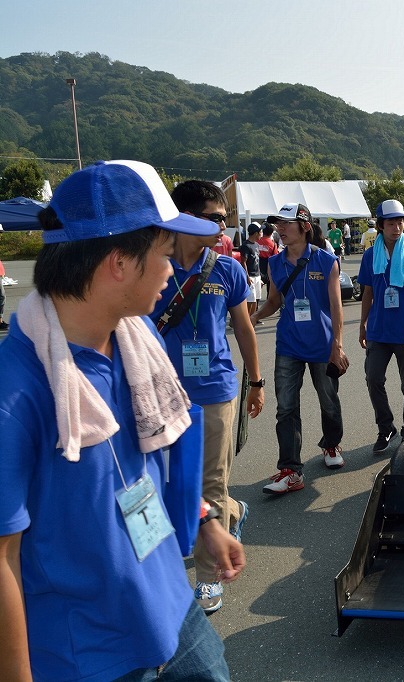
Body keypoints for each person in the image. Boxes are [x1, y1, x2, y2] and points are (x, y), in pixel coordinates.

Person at [0, 160, 244, 680]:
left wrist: (204, 520)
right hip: (90, 654)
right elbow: (3, 557)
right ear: (118, 263)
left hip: (173, 610)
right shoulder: (16, 392)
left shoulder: (139, 340)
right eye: (164, 253)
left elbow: (150, 459)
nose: (171, 269)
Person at [148, 180, 264, 614]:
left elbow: (244, 329)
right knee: (169, 481)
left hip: (215, 390)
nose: (223, 226)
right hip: (162, 393)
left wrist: (256, 382)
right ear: (185, 218)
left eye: (224, 218)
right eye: (215, 218)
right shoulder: (153, 267)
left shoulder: (228, 269)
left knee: (209, 482)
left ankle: (207, 577)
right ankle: (231, 512)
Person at [251, 203, 350, 494]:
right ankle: (290, 470)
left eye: (287, 223)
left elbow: (336, 307)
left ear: (305, 226)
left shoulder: (326, 260)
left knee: (328, 400)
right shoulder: (275, 263)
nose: (280, 229)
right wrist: (255, 316)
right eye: (278, 224)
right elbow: (274, 301)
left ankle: (331, 444)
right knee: (286, 407)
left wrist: (337, 346)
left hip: (322, 344)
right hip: (289, 344)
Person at [359, 200, 404, 453]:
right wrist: (362, 324)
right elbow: (367, 292)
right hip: (378, 331)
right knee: (373, 378)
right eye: (391, 223)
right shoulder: (370, 255)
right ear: (380, 226)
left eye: (400, 222)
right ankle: (386, 427)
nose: (397, 228)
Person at [239, 224, 264, 313]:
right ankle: (247, 318)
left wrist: (260, 276)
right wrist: (247, 277)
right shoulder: (246, 245)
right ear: (256, 233)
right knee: (250, 300)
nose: (261, 234)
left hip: (257, 276)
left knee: (256, 299)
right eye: (260, 232)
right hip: (250, 276)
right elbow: (243, 262)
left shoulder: (256, 245)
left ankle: (252, 318)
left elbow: (257, 261)